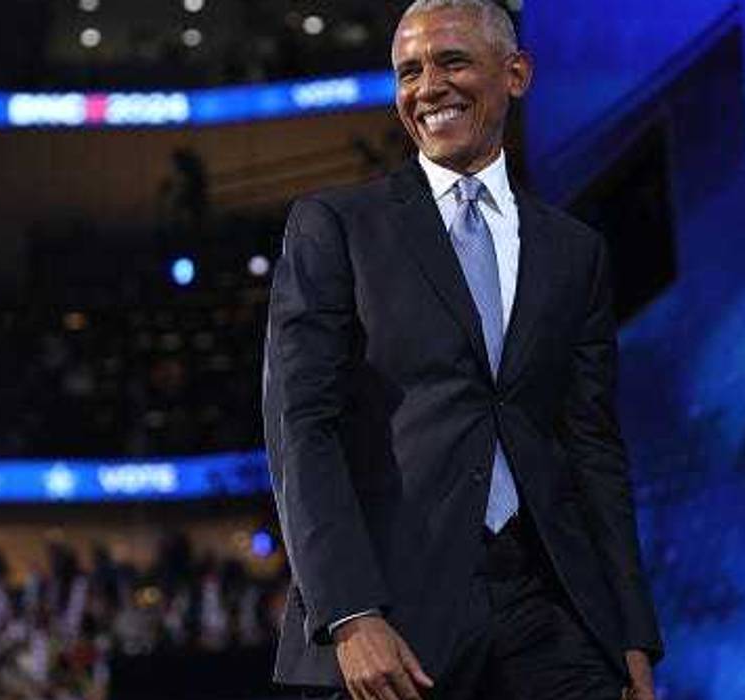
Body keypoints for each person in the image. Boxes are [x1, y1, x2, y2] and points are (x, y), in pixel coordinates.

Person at [260, 1, 665, 698]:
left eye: (451, 62)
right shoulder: (336, 227)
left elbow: (592, 449)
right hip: (395, 614)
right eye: (408, 72)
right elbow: (300, 429)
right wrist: (350, 615)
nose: (427, 88)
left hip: (549, 608)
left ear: (515, 74)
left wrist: (631, 633)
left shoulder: (574, 252)